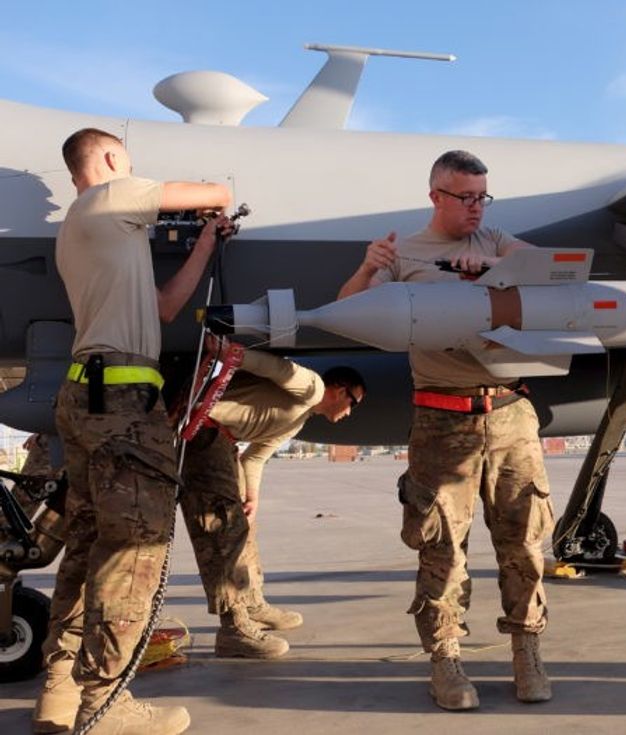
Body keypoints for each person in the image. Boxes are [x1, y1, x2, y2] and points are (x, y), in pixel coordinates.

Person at [338, 150, 555, 711]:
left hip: (511, 412)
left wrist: (492, 267)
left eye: (483, 197)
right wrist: (367, 267)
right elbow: (348, 311)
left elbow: (546, 269)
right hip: (442, 417)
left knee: (524, 542)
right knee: (442, 549)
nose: (477, 208)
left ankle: (527, 653)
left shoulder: (496, 239)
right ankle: (445, 660)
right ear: (435, 195)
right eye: (465, 197)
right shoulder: (403, 254)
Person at [32, 127, 232, 735]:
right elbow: (218, 191)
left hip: (86, 395)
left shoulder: (87, 229)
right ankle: (107, 704)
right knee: (132, 554)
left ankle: (60, 692)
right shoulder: (111, 196)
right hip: (122, 401)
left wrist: (204, 243)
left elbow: (165, 308)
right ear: (111, 158)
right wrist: (211, 209)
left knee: (88, 546)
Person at [177, 336, 365, 659]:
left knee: (244, 526)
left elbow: (255, 458)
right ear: (338, 389)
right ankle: (234, 627)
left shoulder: (297, 422)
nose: (351, 412)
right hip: (202, 429)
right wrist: (234, 354)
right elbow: (278, 369)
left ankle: (252, 603)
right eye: (354, 402)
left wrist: (252, 498)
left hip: (221, 440)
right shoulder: (313, 388)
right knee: (223, 528)